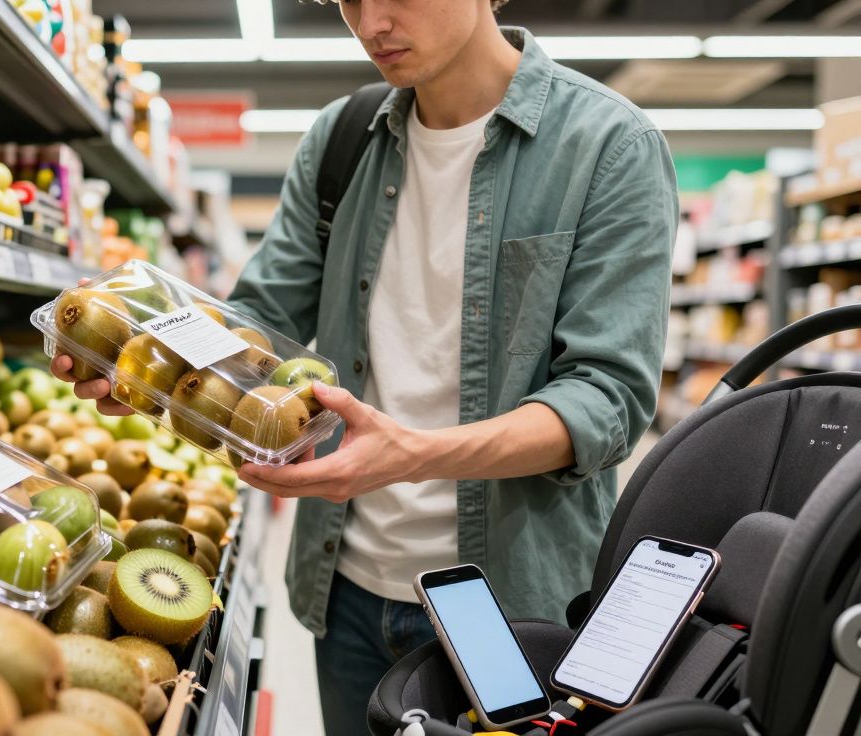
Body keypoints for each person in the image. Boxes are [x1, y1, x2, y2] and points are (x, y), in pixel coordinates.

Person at [51, 0, 678, 731]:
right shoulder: (343, 138)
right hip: (346, 592)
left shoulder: (607, 145)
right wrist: (153, 370)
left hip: (506, 606)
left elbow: (606, 402)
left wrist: (412, 457)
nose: (371, 21)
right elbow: (264, 325)